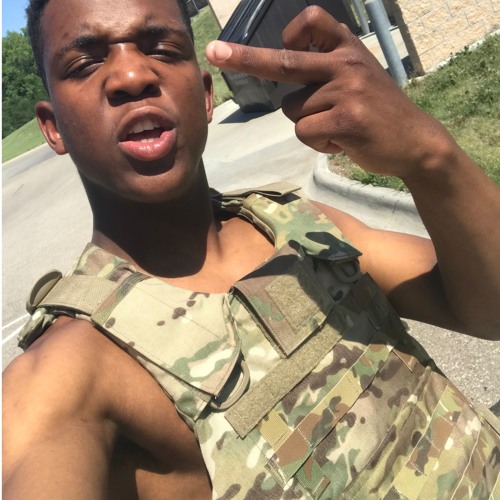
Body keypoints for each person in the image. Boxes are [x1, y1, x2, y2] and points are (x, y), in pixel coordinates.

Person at [3, 0, 500, 498]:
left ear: (205, 97)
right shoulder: (67, 370)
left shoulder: (298, 222)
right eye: (85, 63)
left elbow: (490, 312)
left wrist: (428, 155)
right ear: (52, 126)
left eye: (162, 49)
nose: (132, 76)